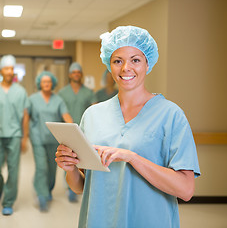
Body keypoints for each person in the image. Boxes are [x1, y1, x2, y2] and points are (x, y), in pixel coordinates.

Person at [55, 26, 201, 227]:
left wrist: (131, 157)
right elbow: (81, 186)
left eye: (135, 60)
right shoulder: (93, 115)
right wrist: (69, 168)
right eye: (117, 61)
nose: (126, 68)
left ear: (147, 63)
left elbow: (185, 190)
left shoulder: (170, 115)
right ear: (109, 65)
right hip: (99, 220)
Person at [0, 54, 29, 216]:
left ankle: (8, 201)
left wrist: (24, 137)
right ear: (0, 70)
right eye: (6, 68)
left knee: (13, 169)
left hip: (15, 135)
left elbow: (25, 115)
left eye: (11, 68)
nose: (9, 71)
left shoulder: (21, 91)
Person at [28, 71, 73, 211]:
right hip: (37, 137)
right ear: (39, 84)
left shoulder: (58, 100)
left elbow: (65, 115)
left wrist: (72, 128)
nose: (46, 84)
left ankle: (47, 189)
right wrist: (24, 136)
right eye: (43, 82)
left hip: (53, 139)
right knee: (41, 167)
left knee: (52, 169)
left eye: (48, 82)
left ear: (52, 83)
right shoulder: (32, 99)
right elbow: (25, 116)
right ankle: (41, 195)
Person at [58, 62, 96, 202]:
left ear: (81, 75)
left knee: (81, 157)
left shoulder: (88, 92)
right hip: (68, 131)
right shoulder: (62, 93)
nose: (76, 74)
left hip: (84, 130)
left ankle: (80, 183)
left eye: (78, 72)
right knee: (67, 157)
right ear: (69, 75)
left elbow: (94, 108)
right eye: (73, 72)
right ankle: (70, 187)